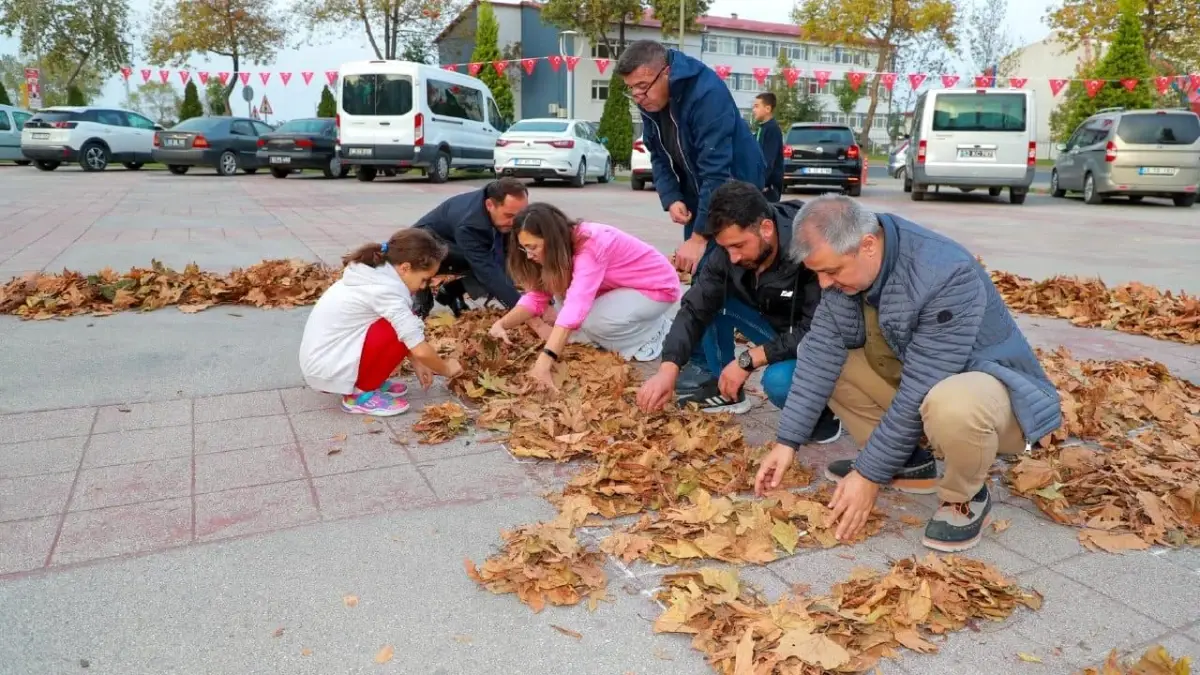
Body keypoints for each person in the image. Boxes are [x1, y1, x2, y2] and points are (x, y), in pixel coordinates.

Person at [754, 194, 1063, 553]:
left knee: (953, 404)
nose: (823, 284)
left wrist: (868, 475)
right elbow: (819, 354)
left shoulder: (945, 272)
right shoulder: (854, 262)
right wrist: (786, 443)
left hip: (998, 403)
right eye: (817, 273)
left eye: (832, 271)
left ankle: (964, 494)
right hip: (931, 387)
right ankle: (910, 464)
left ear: (867, 245)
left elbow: (922, 386)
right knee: (821, 358)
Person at [635, 181, 842, 443]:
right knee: (710, 299)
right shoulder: (729, 252)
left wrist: (749, 359)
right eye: (726, 248)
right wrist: (668, 367)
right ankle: (726, 390)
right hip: (777, 328)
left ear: (766, 228)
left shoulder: (811, 247)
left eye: (739, 246)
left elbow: (819, 331)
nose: (732, 257)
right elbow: (693, 308)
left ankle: (825, 416)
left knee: (779, 383)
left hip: (822, 341)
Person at [617, 39, 766, 387]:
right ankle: (703, 362)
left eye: (642, 87)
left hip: (737, 193)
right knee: (704, 283)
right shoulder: (651, 99)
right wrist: (671, 197)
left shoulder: (706, 93)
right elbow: (657, 153)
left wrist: (701, 237)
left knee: (712, 284)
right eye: (631, 90)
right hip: (701, 197)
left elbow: (718, 170)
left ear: (665, 72)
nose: (639, 97)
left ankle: (719, 376)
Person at [490, 203, 682, 391]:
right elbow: (537, 297)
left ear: (552, 240)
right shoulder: (561, 249)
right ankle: (627, 325)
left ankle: (654, 334)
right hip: (616, 288)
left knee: (591, 321)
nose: (529, 255)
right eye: (525, 248)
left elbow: (575, 307)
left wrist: (544, 362)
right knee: (567, 312)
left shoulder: (591, 245)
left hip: (656, 288)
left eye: (533, 247)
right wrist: (501, 324)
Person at [298, 228, 464, 417]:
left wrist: (417, 361)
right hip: (327, 369)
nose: (425, 286)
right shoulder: (385, 291)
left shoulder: (375, 274)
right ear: (405, 268)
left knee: (403, 322)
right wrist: (445, 368)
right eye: (424, 279)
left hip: (326, 362)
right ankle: (358, 396)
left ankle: (367, 380)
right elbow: (417, 345)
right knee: (400, 327)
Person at [411, 178, 548, 329]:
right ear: (489, 205)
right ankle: (421, 301)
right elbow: (488, 272)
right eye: (509, 216)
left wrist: (544, 302)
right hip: (425, 246)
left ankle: (451, 292)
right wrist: (530, 317)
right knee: (486, 268)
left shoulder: (502, 210)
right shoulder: (469, 225)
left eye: (521, 215)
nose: (516, 223)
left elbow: (515, 259)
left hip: (457, 245)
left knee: (504, 264)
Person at [753, 92, 785, 203]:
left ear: (767, 108)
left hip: (768, 188)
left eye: (757, 106)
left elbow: (768, 161)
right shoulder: (763, 128)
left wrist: (760, 184)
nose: (754, 110)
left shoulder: (772, 130)